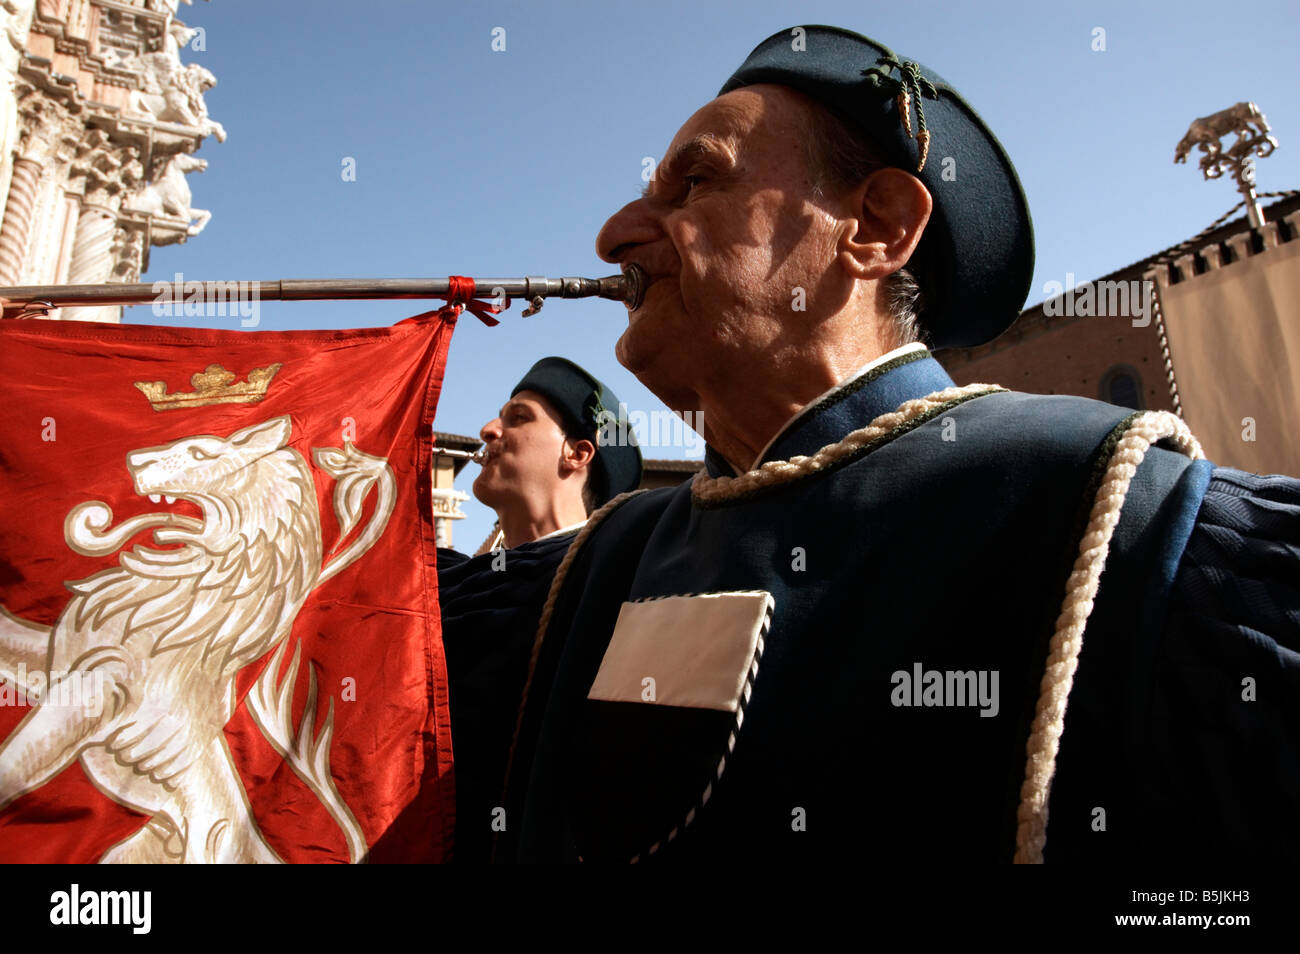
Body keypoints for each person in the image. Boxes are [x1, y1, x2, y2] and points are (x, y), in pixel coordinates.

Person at [496, 26, 1300, 863]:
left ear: (875, 227)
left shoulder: (1117, 515)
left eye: (694, 181)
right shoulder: (595, 563)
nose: (614, 232)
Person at [436, 356, 641, 862]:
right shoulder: (441, 579)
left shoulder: (618, 579)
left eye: (518, 417)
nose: (488, 430)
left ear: (577, 452)